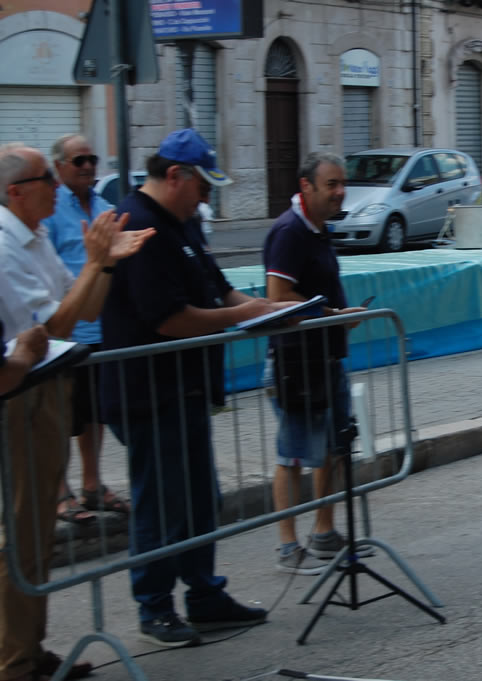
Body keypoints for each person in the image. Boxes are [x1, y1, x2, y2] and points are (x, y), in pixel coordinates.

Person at [99, 128, 293, 648]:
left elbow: (217, 286)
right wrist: (240, 315)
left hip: (184, 387)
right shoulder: (137, 225)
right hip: (149, 389)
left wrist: (271, 309)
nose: (207, 198)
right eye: (202, 187)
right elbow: (167, 319)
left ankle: (205, 595)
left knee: (198, 497)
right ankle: (155, 606)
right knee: (160, 502)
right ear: (175, 176)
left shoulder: (182, 222)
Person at [0, 141, 153, 681]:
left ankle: (26, 645)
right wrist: (97, 261)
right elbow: (55, 326)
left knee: (38, 530)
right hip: (17, 399)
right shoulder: (4, 247)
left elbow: (82, 308)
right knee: (19, 531)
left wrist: (104, 268)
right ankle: (13, 659)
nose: (59, 186)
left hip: (47, 391)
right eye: (48, 176)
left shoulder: (36, 237)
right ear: (16, 191)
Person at [263, 152, 367, 574]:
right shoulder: (289, 232)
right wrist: (334, 317)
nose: (340, 192)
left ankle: (324, 533)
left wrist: (340, 320)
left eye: (342, 184)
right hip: (295, 362)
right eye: (331, 185)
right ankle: (288, 547)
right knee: (293, 454)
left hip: (327, 358)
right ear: (306, 187)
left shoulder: (319, 230)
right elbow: (277, 297)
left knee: (335, 448)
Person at [43, 133, 131, 525]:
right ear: (59, 167)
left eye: (92, 159)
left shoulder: (104, 208)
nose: (88, 166)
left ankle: (93, 484)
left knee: (94, 412)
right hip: (62, 330)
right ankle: (60, 490)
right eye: (79, 160)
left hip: (98, 330)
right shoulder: (49, 210)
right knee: (63, 417)